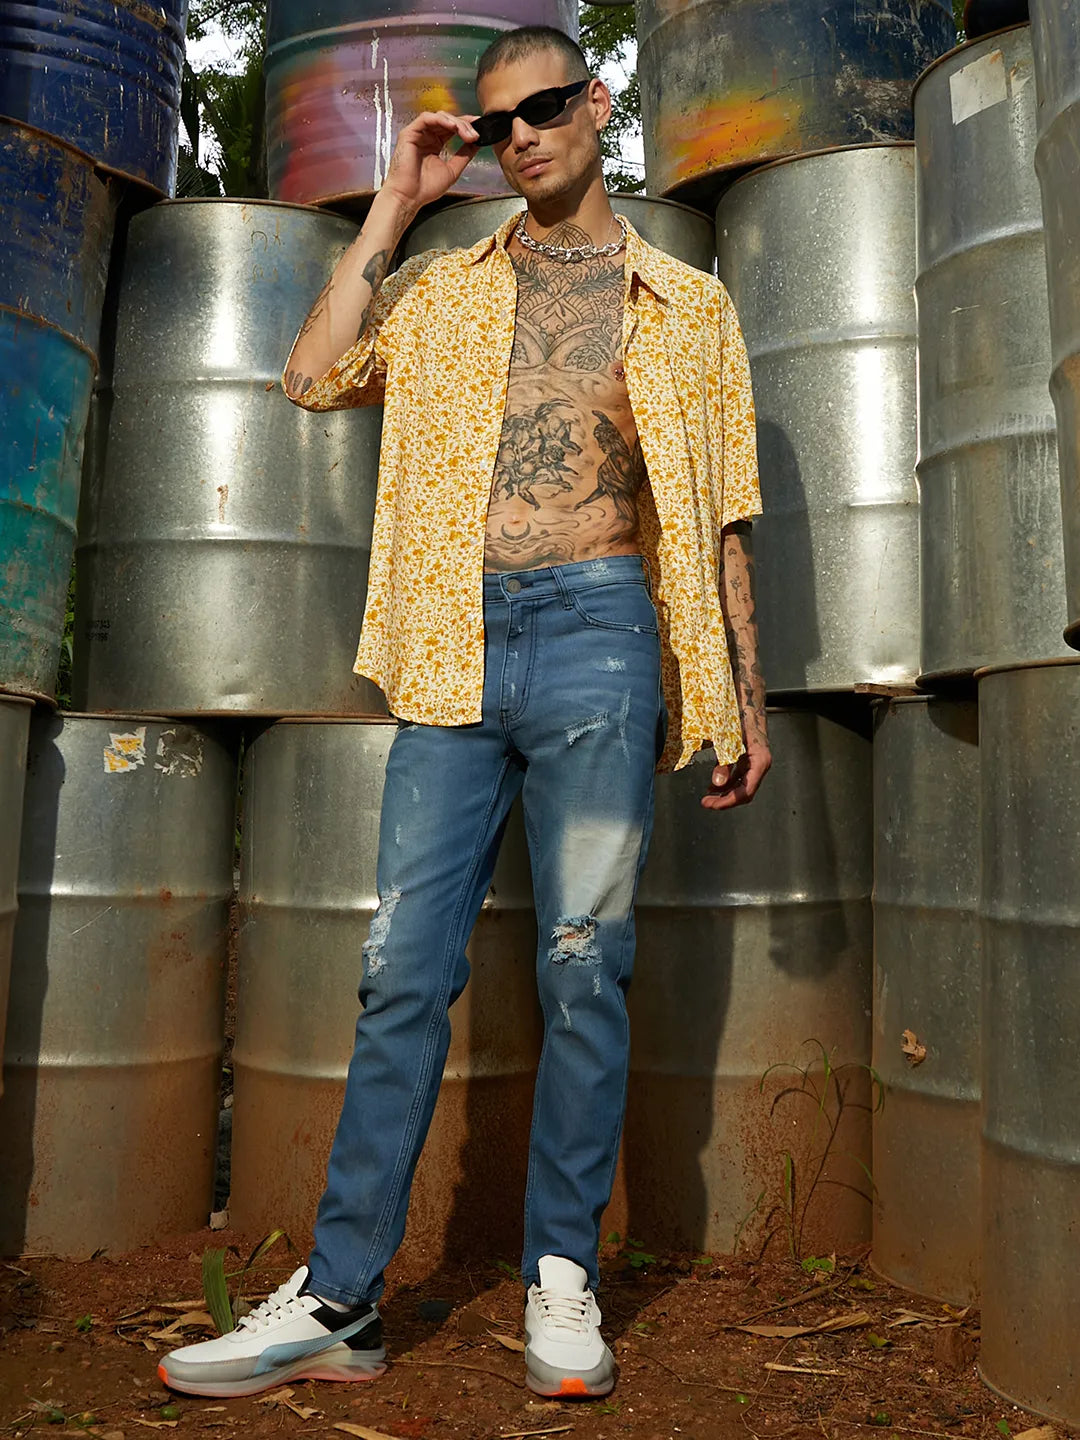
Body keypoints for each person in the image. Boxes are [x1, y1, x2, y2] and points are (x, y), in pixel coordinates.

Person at [160, 24, 769, 1404]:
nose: (521, 137)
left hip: (604, 634)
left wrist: (744, 695)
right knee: (400, 973)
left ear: (597, 102)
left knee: (583, 963)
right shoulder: (441, 288)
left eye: (543, 108)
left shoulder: (691, 306)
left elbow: (726, 514)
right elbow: (311, 374)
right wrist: (393, 202)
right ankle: (342, 1299)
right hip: (453, 643)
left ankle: (562, 1275)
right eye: (498, 124)